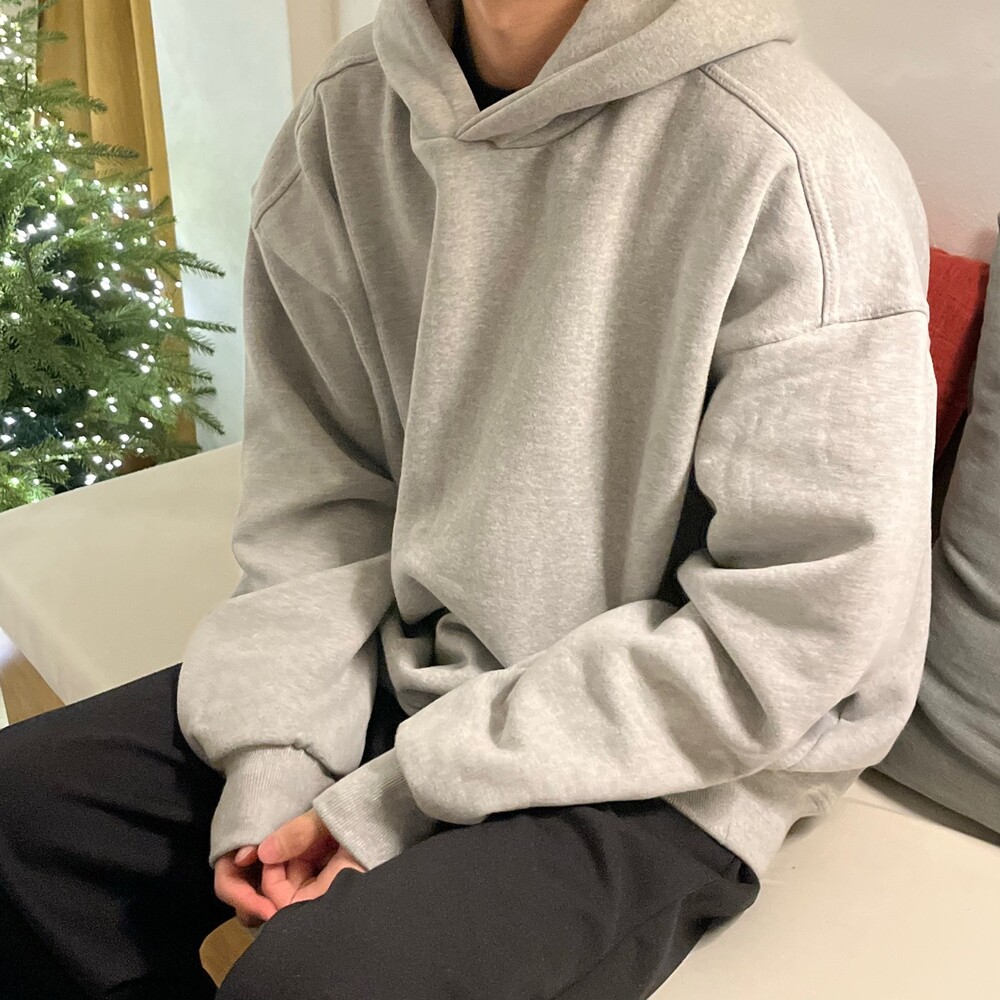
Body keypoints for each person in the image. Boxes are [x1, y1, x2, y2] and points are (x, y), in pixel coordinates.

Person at [0, 0, 938, 997]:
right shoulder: (348, 118)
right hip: (414, 653)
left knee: (325, 984)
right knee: (22, 820)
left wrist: (395, 796)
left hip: (681, 746)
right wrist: (274, 758)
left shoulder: (797, 162)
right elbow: (319, 493)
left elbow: (792, 631)